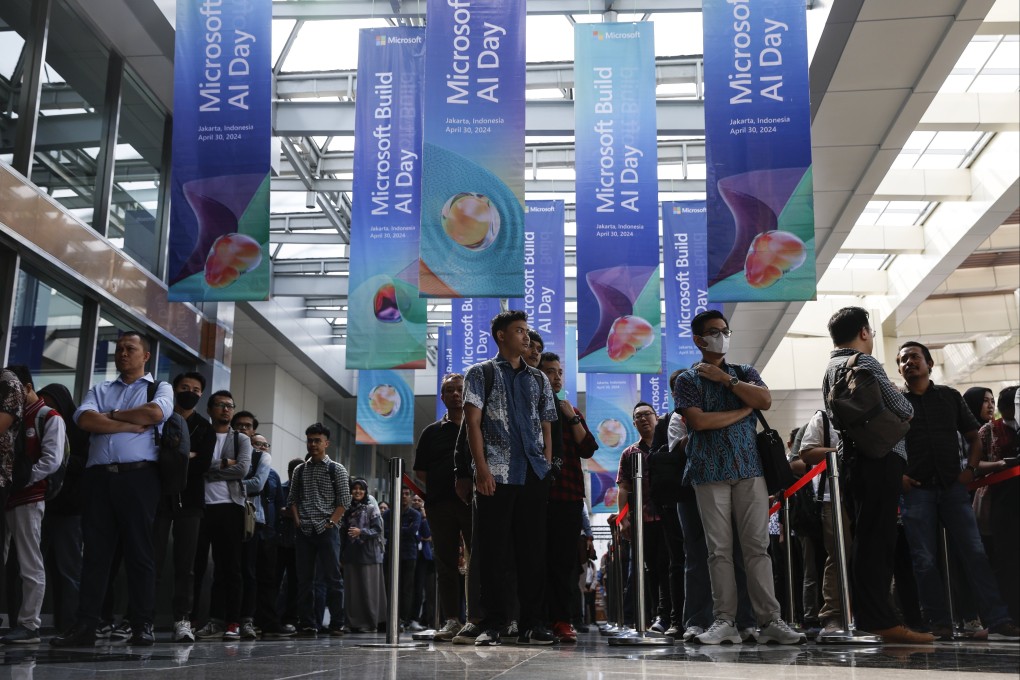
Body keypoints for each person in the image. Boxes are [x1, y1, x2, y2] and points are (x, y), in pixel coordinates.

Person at [674, 310, 803, 645]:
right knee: (719, 549)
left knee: (757, 547)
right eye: (713, 332)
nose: (721, 336)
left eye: (724, 330)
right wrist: (742, 411)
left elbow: (765, 399)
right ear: (699, 340)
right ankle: (724, 620)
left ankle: (770, 619)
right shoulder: (688, 380)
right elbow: (698, 423)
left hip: (749, 469)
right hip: (708, 470)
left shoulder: (744, 373)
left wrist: (726, 381)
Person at [819, 308, 934, 644]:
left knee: (865, 539)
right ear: (865, 332)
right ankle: (881, 620)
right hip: (882, 458)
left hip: (853, 458)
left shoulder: (829, 368)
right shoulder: (864, 363)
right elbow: (905, 409)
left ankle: (871, 616)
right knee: (878, 541)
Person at [52, 332, 173, 647]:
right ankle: (87, 625)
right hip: (99, 480)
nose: (122, 353)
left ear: (145, 356)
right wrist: (129, 426)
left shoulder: (159, 388)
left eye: (130, 349)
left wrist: (113, 416)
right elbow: (85, 420)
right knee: (95, 555)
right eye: (119, 349)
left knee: (139, 553)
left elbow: (154, 414)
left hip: (139, 479)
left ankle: (141, 625)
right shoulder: (100, 388)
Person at [896, 341, 1019, 641]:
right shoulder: (897, 402)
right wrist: (899, 476)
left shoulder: (949, 397)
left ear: (929, 364)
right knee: (923, 559)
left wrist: (970, 469)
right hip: (917, 489)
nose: (908, 363)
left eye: (914, 357)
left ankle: (998, 618)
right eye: (902, 360)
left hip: (952, 487)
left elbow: (972, 436)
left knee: (974, 553)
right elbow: (886, 444)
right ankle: (938, 621)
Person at [463, 310, 557, 646]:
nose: (526, 337)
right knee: (492, 552)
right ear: (501, 336)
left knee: (533, 552)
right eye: (519, 331)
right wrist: (482, 470)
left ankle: (533, 622)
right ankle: (493, 623)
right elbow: (472, 424)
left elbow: (546, 421)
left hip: (533, 472)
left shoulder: (538, 379)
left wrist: (545, 463)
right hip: (496, 474)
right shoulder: (480, 373)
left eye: (527, 331)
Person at [2, 365, 65, 644]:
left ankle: (29, 624)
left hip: (28, 496)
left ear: (26, 387)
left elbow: (52, 460)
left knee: (30, 562)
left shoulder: (48, 416)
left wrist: (23, 479)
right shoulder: (16, 416)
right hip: (8, 496)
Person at [537, 351, 597, 643]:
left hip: (568, 495)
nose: (556, 377)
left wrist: (570, 414)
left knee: (563, 563)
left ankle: (562, 620)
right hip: (536, 496)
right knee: (536, 560)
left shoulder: (570, 410)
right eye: (549, 371)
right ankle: (536, 620)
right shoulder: (530, 408)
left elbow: (587, 447)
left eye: (559, 372)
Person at [412, 373, 475, 641]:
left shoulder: (478, 426)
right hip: (440, 506)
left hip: (473, 504)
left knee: (479, 561)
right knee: (446, 563)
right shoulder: (431, 432)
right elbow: (421, 472)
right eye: (449, 391)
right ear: (442, 397)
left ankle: (478, 619)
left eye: (460, 390)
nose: (455, 395)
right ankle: (452, 620)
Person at [153, 372, 214, 643]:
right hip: (160, 498)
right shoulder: (161, 420)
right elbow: (154, 457)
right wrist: (185, 456)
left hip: (191, 503)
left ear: (202, 395)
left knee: (186, 566)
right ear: (175, 390)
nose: (190, 392)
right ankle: (140, 618)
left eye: (196, 389)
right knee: (150, 560)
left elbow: (202, 465)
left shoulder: (205, 428)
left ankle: (182, 619)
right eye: (185, 387)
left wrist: (174, 456)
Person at [192, 390, 252, 641]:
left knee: (231, 568)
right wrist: (223, 463)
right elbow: (191, 466)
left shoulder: (241, 439)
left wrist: (209, 468)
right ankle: (198, 621)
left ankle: (232, 622)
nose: (226, 409)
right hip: (200, 506)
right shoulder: (200, 434)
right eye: (220, 405)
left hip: (230, 506)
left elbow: (242, 469)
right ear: (210, 409)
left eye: (230, 405)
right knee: (195, 566)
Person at [289, 422, 351, 637]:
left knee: (333, 578)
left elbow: (344, 501)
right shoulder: (299, 469)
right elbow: (293, 499)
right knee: (304, 579)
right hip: (304, 529)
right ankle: (307, 623)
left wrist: (331, 523)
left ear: (327, 443)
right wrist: (297, 521)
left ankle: (337, 623)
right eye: (310, 440)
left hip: (327, 529)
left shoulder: (337, 469)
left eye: (317, 440)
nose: (313, 444)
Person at [37, 383, 89, 632]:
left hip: (69, 508)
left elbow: (86, 463)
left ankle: (68, 624)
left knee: (68, 570)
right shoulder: (39, 426)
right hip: (40, 506)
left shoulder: (79, 429)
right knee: (33, 567)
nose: (47, 407)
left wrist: (60, 459)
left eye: (51, 402)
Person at [616, 402, 670, 633]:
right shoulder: (629, 453)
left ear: (656, 417)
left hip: (668, 517)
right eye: (638, 417)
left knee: (668, 566)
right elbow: (623, 487)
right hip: (643, 521)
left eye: (647, 414)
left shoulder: (668, 445)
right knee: (649, 570)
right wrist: (624, 518)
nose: (643, 419)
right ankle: (651, 616)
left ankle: (670, 614)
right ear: (634, 423)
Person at [798, 409, 848, 636]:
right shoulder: (824, 418)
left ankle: (877, 613)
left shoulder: (878, 410)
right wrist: (843, 451)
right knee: (837, 556)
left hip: (870, 493)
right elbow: (806, 452)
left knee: (875, 555)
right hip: (833, 497)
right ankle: (834, 615)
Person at [977, 386, 1019, 621]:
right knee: (1007, 560)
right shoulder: (989, 430)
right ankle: (1011, 614)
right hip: (1002, 503)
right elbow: (974, 465)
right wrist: (1002, 464)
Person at [341, 479, 385, 633]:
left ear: (366, 492)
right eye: (354, 489)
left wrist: (361, 532)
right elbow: (343, 533)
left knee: (368, 590)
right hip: (351, 554)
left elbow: (377, 530)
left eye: (361, 489)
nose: (357, 491)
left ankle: (369, 623)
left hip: (368, 554)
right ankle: (351, 623)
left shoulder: (372, 508)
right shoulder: (346, 508)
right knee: (352, 590)